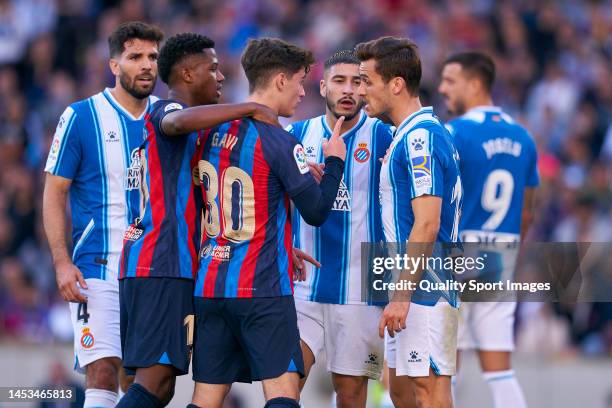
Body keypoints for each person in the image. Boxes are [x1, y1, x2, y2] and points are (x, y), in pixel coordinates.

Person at [117, 33, 279, 408]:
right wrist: (248, 107)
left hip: (148, 265)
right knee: (155, 382)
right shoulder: (165, 113)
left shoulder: (194, 131)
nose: (221, 76)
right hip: (163, 264)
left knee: (160, 384)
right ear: (188, 75)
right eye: (214, 68)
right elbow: (175, 123)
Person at [189, 38, 346, 408]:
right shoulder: (279, 139)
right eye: (299, 81)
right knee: (283, 394)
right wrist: (335, 163)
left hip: (211, 286)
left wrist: (282, 241)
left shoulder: (210, 132)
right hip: (261, 290)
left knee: (206, 398)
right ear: (279, 80)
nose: (302, 91)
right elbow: (317, 212)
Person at [42, 21, 164, 408]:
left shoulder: (168, 116)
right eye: (135, 57)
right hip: (96, 264)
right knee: (103, 369)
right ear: (114, 64)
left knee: (144, 379)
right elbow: (54, 193)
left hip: (153, 268)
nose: (146, 66)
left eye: (152, 57)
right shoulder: (81, 116)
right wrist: (61, 262)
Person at [356, 36, 463, 408]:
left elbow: (428, 223)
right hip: (409, 286)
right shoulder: (410, 134)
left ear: (396, 83)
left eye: (367, 80)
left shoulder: (420, 137)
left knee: (428, 393)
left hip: (426, 288)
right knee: (400, 393)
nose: (361, 90)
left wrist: (402, 295)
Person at [286, 50, 393, 408]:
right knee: (285, 383)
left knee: (350, 396)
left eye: (357, 81)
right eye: (339, 81)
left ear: (366, 89)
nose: (348, 90)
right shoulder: (296, 135)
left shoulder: (386, 138)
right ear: (323, 86)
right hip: (304, 289)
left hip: (360, 292)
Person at [438, 51, 539, 408]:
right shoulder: (523, 136)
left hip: (459, 252)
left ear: (475, 83)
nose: (442, 88)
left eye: (450, 81)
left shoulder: (454, 132)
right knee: (500, 370)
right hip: (501, 251)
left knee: (447, 364)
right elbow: (528, 210)